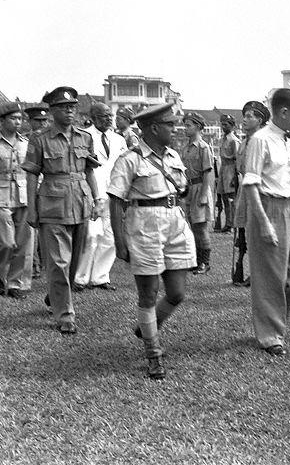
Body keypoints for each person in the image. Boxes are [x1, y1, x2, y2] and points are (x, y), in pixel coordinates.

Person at [108, 102, 195, 380]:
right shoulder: (129, 159)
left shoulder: (173, 155)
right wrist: (120, 242)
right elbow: (115, 201)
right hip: (144, 226)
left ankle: (147, 327)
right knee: (148, 294)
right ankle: (153, 353)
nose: (175, 128)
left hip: (175, 223)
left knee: (177, 293)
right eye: (169, 124)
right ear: (154, 128)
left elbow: (181, 190)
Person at [22, 87, 100, 334]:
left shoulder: (85, 137)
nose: (69, 111)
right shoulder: (40, 138)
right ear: (52, 111)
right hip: (52, 204)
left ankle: (55, 295)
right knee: (58, 262)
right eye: (64, 107)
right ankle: (65, 315)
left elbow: (89, 170)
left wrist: (97, 198)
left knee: (74, 262)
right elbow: (32, 175)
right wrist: (32, 209)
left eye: (72, 107)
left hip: (80, 202)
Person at [242, 88, 290, 356]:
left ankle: (275, 321)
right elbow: (251, 184)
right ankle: (270, 335)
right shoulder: (261, 139)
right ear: (283, 111)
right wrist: (264, 222)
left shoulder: (289, 140)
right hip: (269, 207)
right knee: (270, 276)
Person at [73, 103, 127, 292]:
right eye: (104, 116)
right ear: (93, 118)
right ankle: (80, 278)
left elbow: (124, 165)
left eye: (110, 115)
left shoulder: (119, 139)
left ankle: (100, 277)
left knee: (111, 236)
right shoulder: (83, 136)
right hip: (92, 191)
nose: (109, 119)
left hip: (115, 192)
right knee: (91, 236)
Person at [232, 100, 270, 286]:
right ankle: (252, 271)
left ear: (260, 120)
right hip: (245, 190)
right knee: (246, 233)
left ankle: (261, 274)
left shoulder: (264, 141)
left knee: (260, 234)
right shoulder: (244, 142)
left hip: (260, 191)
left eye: (249, 116)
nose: (244, 120)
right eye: (244, 116)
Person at [0, 102, 32, 299]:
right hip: (1, 198)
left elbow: (33, 170)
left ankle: (14, 284)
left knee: (21, 245)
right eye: (13, 118)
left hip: (23, 197)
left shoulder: (25, 143)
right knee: (6, 243)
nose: (18, 122)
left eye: (19, 118)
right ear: (2, 121)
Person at [181, 112, 215, 274]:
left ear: (198, 127)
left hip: (200, 187)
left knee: (201, 227)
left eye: (188, 125)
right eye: (185, 125)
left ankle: (204, 262)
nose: (185, 128)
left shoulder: (203, 147)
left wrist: (203, 195)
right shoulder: (186, 148)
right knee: (192, 226)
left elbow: (207, 172)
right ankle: (195, 260)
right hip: (188, 188)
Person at [22, 104, 50, 280]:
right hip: (26, 188)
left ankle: (42, 264)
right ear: (30, 121)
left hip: (47, 188)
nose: (42, 124)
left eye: (44, 120)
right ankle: (34, 266)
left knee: (44, 230)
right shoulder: (25, 140)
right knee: (29, 231)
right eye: (38, 121)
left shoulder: (49, 139)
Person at [215, 114, 240, 233]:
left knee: (232, 199)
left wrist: (235, 177)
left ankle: (233, 224)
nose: (223, 127)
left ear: (232, 126)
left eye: (226, 125)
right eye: (222, 124)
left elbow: (237, 160)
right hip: (223, 169)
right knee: (224, 198)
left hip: (231, 170)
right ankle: (228, 222)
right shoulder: (222, 139)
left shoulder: (234, 140)